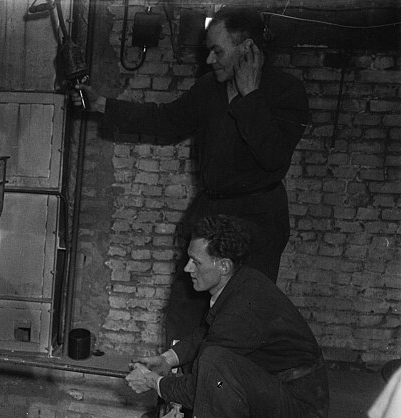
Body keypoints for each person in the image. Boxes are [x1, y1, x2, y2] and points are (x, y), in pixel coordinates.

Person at [81, 7, 310, 342]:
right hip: (210, 217)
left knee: (241, 322)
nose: (209, 60)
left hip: (258, 224)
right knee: (183, 314)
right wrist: (102, 104)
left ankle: (219, 390)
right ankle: (175, 389)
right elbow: (165, 120)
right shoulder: (209, 89)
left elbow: (273, 156)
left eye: (217, 51)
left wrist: (251, 96)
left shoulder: (286, 92)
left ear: (246, 50)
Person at [125, 215, 328, 418]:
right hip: (285, 393)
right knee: (213, 359)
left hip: (301, 413)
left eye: (196, 262)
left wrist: (154, 383)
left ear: (223, 266)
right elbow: (206, 331)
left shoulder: (242, 308)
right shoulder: (240, 283)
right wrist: (168, 359)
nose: (187, 268)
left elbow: (201, 384)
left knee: (213, 363)